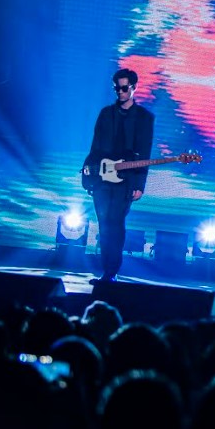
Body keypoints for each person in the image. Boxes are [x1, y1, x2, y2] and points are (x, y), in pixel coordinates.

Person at [82, 68, 155, 283]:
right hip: (102, 178)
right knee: (104, 224)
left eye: (124, 88)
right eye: (117, 88)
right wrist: (89, 176)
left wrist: (139, 184)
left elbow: (145, 153)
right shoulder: (106, 114)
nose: (120, 92)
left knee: (116, 223)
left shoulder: (144, 118)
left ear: (134, 88)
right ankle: (107, 272)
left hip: (126, 181)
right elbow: (95, 147)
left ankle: (112, 271)